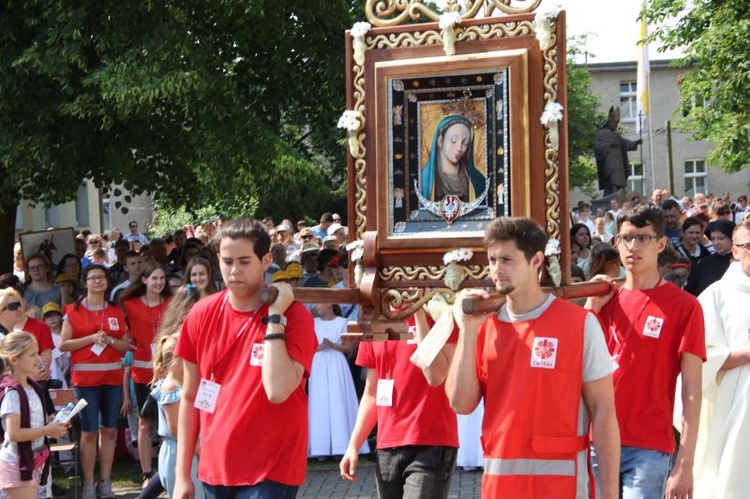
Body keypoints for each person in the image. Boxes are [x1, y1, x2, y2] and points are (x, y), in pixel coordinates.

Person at [446, 217, 620, 498]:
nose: (497, 270)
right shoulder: (482, 326)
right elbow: (461, 404)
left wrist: (610, 493)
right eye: (492, 260)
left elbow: (604, 412)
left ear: (536, 260)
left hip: (561, 487)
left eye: (507, 260)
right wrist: (467, 330)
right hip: (500, 488)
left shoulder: (580, 324)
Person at [174, 218, 317, 498]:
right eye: (227, 261)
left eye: (244, 261)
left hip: (271, 469)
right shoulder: (201, 313)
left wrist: (275, 317)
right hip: (216, 467)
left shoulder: (295, 315)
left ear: (265, 261)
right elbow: (190, 396)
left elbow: (277, 390)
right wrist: (182, 476)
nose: (234, 271)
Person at [585, 203, 705, 498]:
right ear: (616, 243)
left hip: (649, 448)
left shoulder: (685, 306)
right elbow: (574, 367)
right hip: (595, 443)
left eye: (643, 238)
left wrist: (685, 463)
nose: (633, 246)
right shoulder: (602, 299)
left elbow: (691, 390)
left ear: (661, 243)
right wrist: (589, 309)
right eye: (626, 238)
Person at [339, 310, 459, 498]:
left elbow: (436, 375)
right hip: (387, 444)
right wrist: (353, 445)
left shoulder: (442, 315)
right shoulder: (376, 320)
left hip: (431, 442)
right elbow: (371, 393)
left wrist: (419, 314)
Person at [59, 265, 129, 499]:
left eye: (101, 277)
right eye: (92, 278)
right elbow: (63, 345)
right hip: (85, 381)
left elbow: (125, 345)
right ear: (85, 282)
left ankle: (106, 480)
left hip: (112, 379)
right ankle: (88, 482)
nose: (97, 281)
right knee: (88, 432)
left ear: (107, 282)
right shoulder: (73, 311)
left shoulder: (116, 311)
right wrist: (90, 338)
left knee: (109, 430)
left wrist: (109, 339)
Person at [691, 220, 750, 498]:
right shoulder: (716, 296)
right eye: (749, 246)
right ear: (735, 251)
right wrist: (744, 354)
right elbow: (698, 358)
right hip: (736, 404)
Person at [119, 262, 172, 487]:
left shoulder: (170, 303)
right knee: (144, 422)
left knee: (169, 422)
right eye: (154, 278)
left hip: (168, 371)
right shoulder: (129, 305)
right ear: (144, 280)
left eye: (162, 278)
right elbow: (123, 335)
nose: (159, 282)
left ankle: (167, 468)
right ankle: (146, 472)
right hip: (141, 373)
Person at [0, 332, 69, 499]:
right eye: (32, 355)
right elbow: (14, 434)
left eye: (37, 353)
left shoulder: (32, 388)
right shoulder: (13, 393)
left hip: (31, 461)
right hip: (16, 463)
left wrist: (56, 424)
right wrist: (47, 430)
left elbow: (36, 422)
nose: (38, 359)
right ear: (14, 360)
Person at [307, 303, 367, 459]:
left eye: (319, 305)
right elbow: (307, 346)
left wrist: (332, 345)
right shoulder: (312, 323)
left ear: (330, 305)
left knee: (338, 400)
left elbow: (349, 348)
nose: (316, 307)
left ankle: (342, 445)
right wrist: (319, 347)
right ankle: (320, 448)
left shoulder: (343, 322)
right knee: (319, 402)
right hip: (318, 363)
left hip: (337, 363)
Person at [151, 334, 203, 499]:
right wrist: (202, 452)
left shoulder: (184, 384)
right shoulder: (171, 387)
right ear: (177, 359)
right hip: (180, 451)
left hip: (191, 448)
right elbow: (176, 430)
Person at [420, 114, 485, 203]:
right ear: (440, 141)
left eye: (465, 143)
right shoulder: (423, 180)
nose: (459, 148)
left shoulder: (477, 181)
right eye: (454, 140)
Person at [594, 106, 642, 195]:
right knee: (612, 183)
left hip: (619, 164)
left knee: (620, 183)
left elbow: (625, 143)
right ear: (609, 122)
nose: (615, 125)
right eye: (614, 123)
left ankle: (620, 195)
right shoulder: (601, 133)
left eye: (617, 123)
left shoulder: (616, 135)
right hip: (610, 164)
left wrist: (635, 143)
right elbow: (598, 147)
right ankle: (612, 195)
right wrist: (609, 145)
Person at [684, 219, 735, 296]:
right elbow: (691, 290)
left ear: (732, 239)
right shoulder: (705, 262)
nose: (716, 243)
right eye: (713, 239)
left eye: (721, 238)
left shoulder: (741, 261)